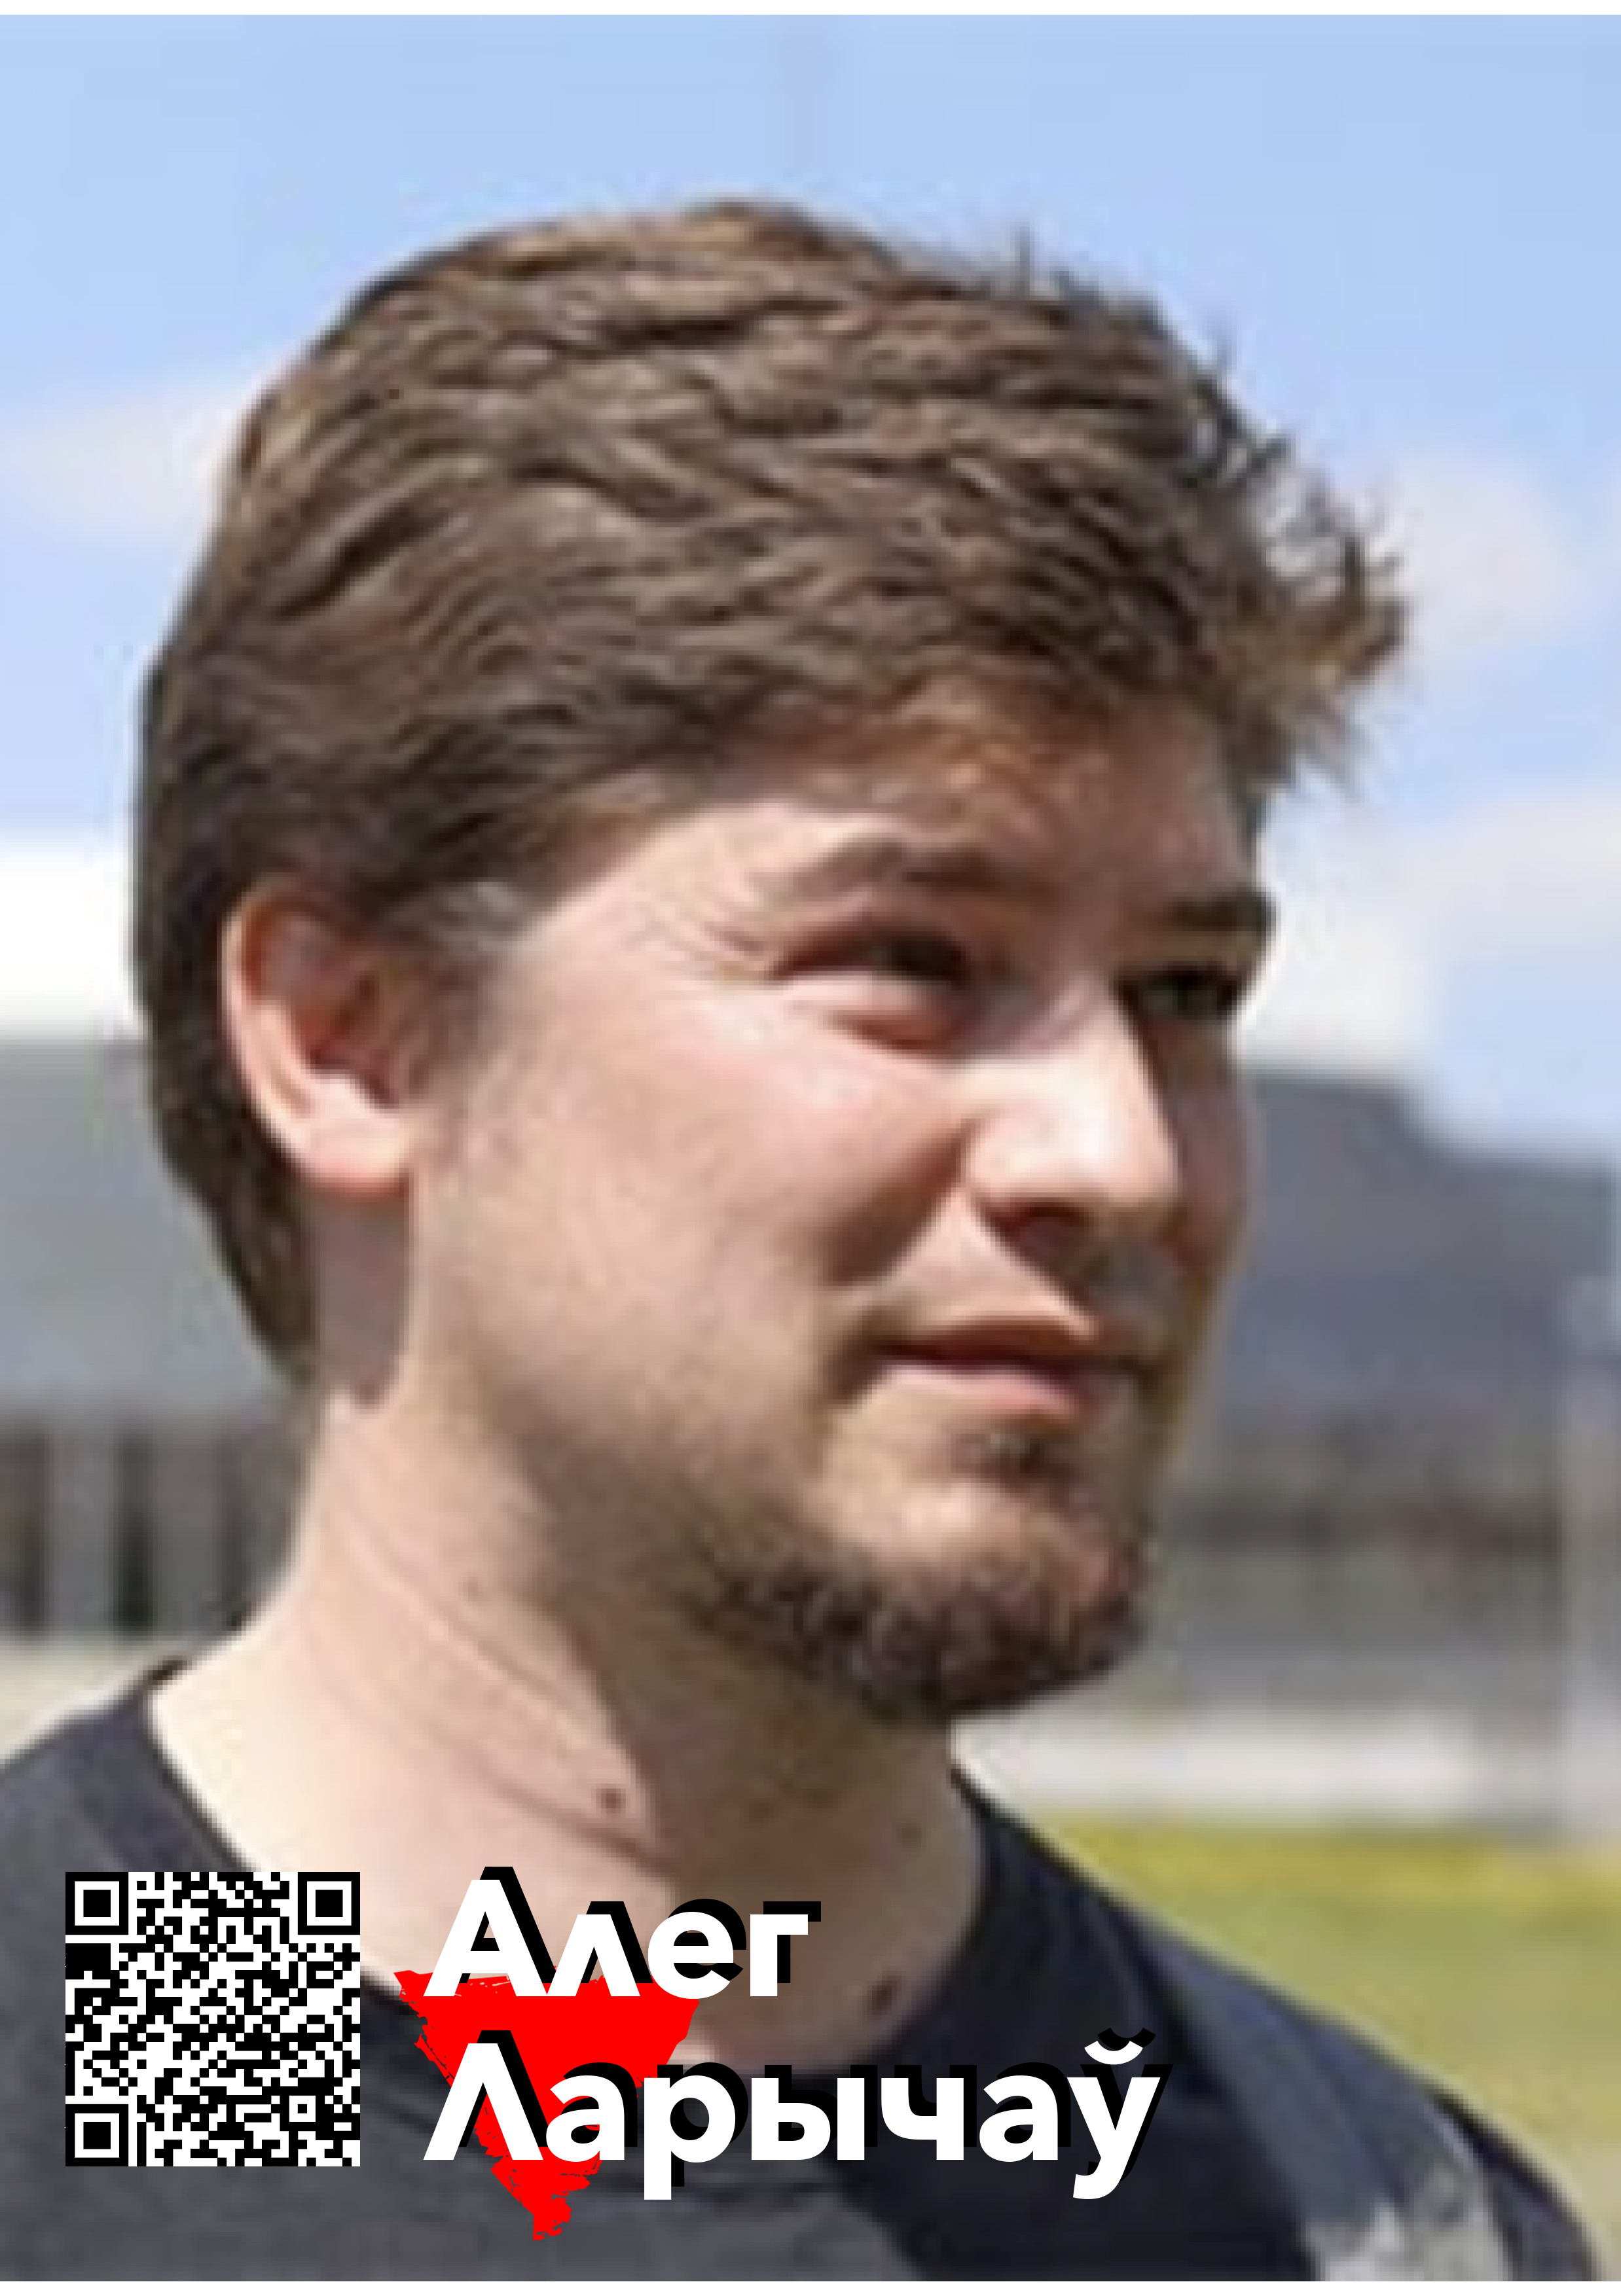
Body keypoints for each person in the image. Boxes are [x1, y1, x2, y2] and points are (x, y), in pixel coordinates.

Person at [0, 201, 1594, 2278]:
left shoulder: (1365, 2226)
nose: (1121, 1153)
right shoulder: (104, 2097)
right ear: (350, 1036)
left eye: (1185, 992)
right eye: (912, 959)